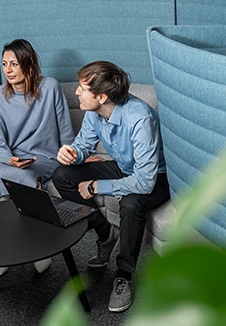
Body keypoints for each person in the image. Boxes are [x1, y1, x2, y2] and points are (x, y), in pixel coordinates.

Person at [51, 61, 170, 312]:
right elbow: (84, 145)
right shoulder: (93, 112)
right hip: (124, 167)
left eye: (82, 88)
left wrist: (95, 186)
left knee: (131, 202)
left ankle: (123, 277)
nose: (76, 92)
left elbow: (144, 181)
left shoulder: (140, 118)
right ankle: (105, 233)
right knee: (62, 175)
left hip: (156, 178)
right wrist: (73, 153)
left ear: (102, 96)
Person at [0, 39, 75, 274]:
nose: (8, 70)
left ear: (29, 64)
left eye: (14, 64)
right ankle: (9, 248)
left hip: (42, 158)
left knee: (26, 173)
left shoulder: (50, 88)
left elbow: (66, 133)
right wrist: (9, 159)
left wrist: (76, 155)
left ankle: (33, 247)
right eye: (4, 64)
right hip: (4, 158)